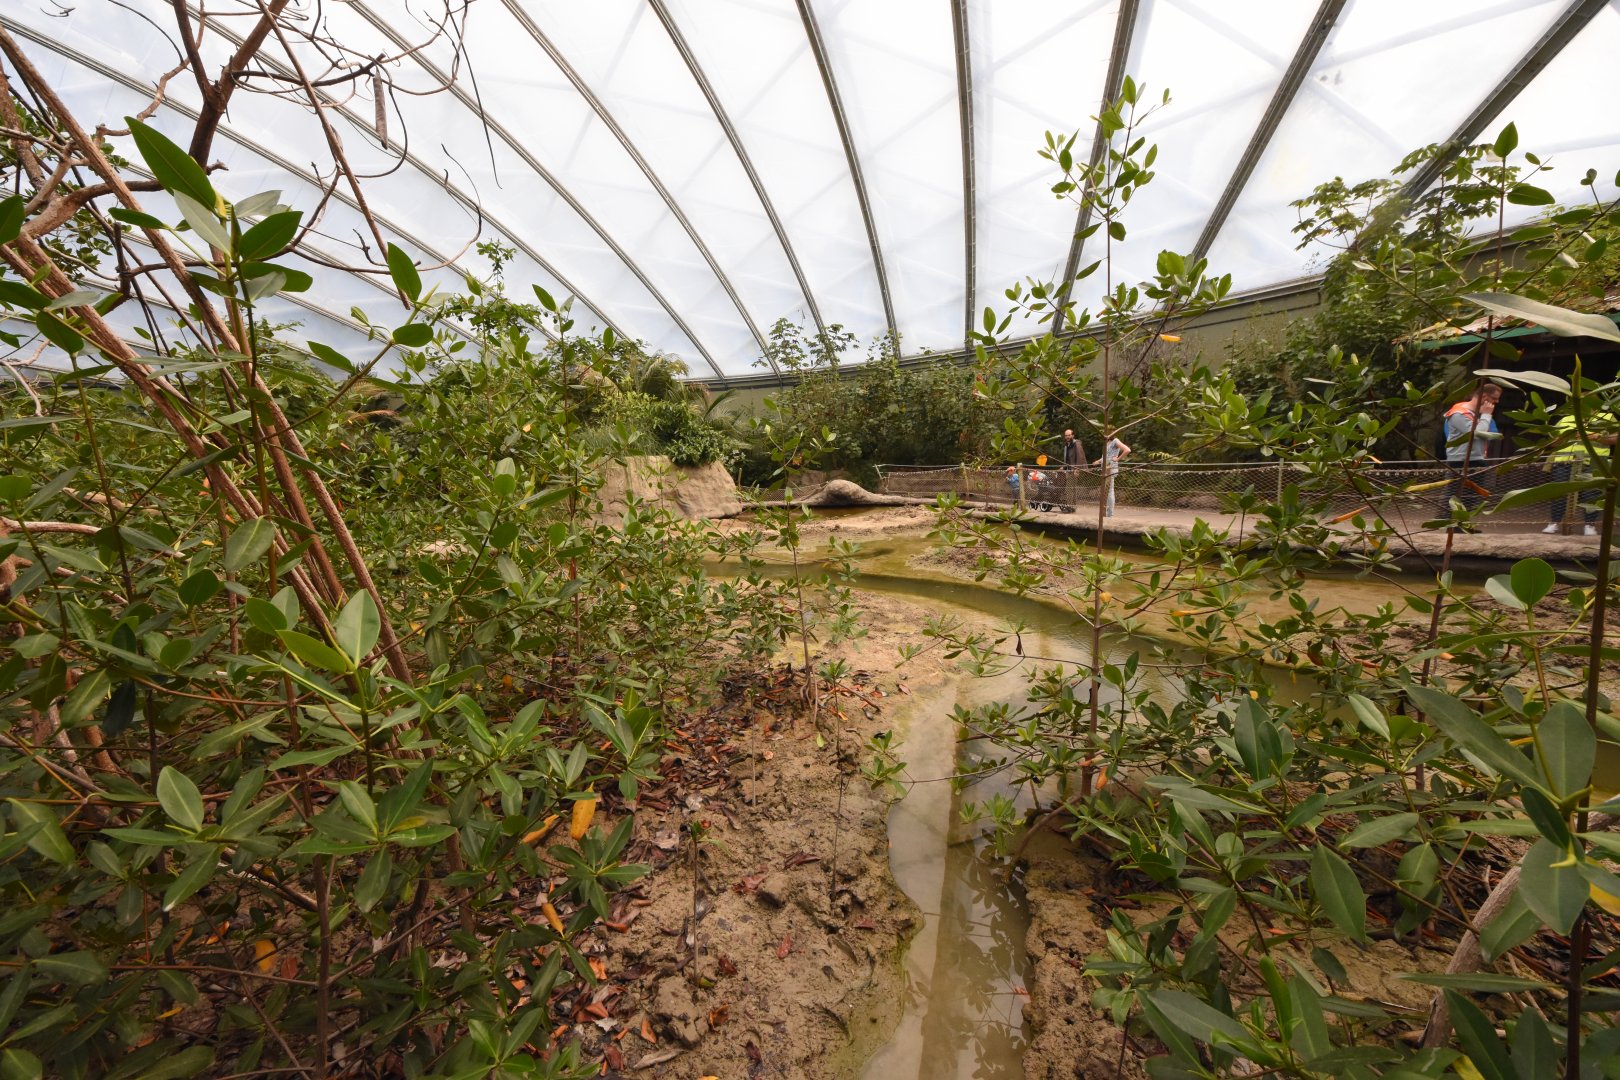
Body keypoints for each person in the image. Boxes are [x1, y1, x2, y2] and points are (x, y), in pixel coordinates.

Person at [1542, 412, 1614, 536]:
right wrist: (1564, 438)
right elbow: (1551, 443)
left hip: (1594, 461)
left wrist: (1595, 436)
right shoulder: (1566, 418)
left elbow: (1615, 438)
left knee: (1591, 493)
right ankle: (1554, 523)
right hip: (1564, 461)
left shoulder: (1607, 417)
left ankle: (1589, 525)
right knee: (1559, 493)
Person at [1442, 383, 1501, 511]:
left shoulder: (1475, 413)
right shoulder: (1458, 413)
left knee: (1472, 495)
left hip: (1477, 458)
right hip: (1460, 460)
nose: (1497, 402)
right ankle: (1449, 522)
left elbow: (1492, 434)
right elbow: (1477, 434)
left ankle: (1463, 522)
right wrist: (1486, 415)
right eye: (1494, 398)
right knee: (1455, 494)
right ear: (1484, 396)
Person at [1092, 435, 1132, 517]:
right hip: (1105, 469)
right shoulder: (1107, 442)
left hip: (1110, 469)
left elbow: (1127, 450)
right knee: (1106, 491)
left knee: (1110, 491)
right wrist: (1099, 461)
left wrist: (1117, 459)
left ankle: (1110, 514)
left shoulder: (1115, 441)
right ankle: (1106, 513)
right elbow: (1107, 456)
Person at [1061, 429, 1084, 512]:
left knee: (1069, 489)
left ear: (1073, 435)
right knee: (1071, 489)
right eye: (1066, 435)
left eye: (1069, 435)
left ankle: (1070, 507)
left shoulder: (1076, 444)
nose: (1067, 437)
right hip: (1068, 470)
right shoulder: (1067, 445)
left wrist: (1077, 469)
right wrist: (1063, 467)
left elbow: (1080, 457)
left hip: (1074, 470)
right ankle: (1072, 507)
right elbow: (1067, 458)